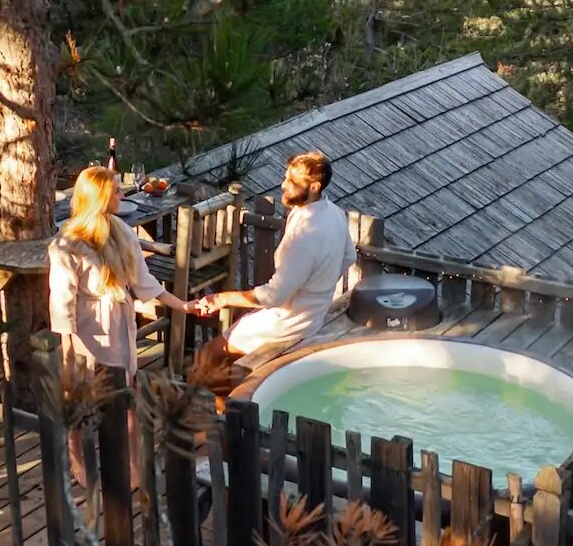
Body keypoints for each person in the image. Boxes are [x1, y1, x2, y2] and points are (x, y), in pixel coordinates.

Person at [190, 150, 354, 393]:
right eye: (285, 177)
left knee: (204, 360)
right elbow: (349, 257)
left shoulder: (306, 236)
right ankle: (223, 411)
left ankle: (206, 417)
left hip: (287, 324)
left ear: (315, 186)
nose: (283, 185)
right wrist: (319, 287)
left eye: (292, 181)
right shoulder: (333, 213)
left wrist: (220, 299)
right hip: (312, 317)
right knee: (224, 368)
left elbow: (274, 296)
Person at [49, 165, 194, 382]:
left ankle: (127, 412)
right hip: (90, 325)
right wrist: (67, 347)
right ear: (101, 198)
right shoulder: (68, 244)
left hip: (119, 318)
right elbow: (62, 298)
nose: (122, 195)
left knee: (125, 379)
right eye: (116, 191)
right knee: (97, 384)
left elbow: (142, 278)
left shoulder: (121, 230)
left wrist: (183, 306)